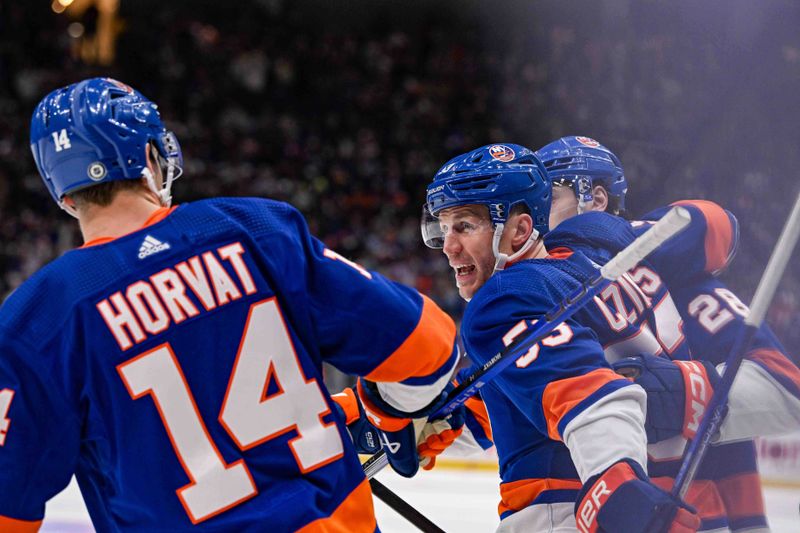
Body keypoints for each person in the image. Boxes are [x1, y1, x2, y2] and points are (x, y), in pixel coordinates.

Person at [0, 77, 461, 532]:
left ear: (60, 190)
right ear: (148, 157)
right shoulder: (254, 228)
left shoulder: (37, 319)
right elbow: (429, 347)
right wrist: (386, 413)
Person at [416, 143, 699, 532]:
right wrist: (420, 417)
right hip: (643, 489)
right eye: (443, 228)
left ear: (519, 229)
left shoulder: (504, 297)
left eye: (464, 226)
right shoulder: (577, 273)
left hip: (559, 512)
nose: (448, 248)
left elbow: (584, 392)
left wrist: (617, 488)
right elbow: (526, 385)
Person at [537, 135, 800, 532]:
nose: (536, 218)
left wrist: (675, 389)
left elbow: (786, 387)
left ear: (597, 199)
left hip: (682, 512)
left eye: (548, 199)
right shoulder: (538, 288)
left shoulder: (673, 276)